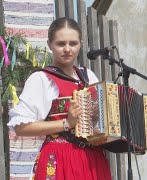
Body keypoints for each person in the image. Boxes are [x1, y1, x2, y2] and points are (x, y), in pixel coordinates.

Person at [8, 17, 112, 180]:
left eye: (73, 43)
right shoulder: (41, 79)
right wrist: (66, 123)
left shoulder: (89, 77)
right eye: (61, 44)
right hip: (60, 159)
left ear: (81, 44)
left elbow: (103, 125)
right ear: (50, 44)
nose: (67, 49)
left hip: (93, 161)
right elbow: (21, 127)